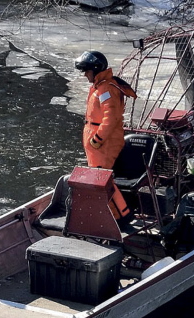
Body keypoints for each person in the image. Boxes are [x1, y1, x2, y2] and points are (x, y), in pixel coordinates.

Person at [75, 49, 138, 225]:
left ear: (95, 69)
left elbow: (111, 119)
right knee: (99, 178)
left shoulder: (107, 90)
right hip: (97, 143)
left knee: (103, 181)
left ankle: (122, 216)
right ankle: (112, 213)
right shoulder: (100, 87)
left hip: (104, 144)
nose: (85, 74)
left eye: (87, 71)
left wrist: (97, 140)